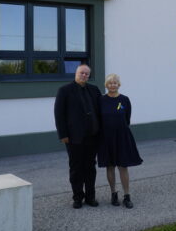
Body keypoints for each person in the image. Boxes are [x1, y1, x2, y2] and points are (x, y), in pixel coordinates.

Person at [54, 64, 102, 209]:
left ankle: (90, 197)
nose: (84, 75)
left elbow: (100, 111)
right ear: (76, 73)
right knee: (76, 168)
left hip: (92, 136)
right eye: (82, 73)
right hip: (73, 138)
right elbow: (59, 114)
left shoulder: (94, 90)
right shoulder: (64, 90)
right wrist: (63, 134)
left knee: (90, 167)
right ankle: (77, 198)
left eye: (87, 74)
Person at [98, 73, 143, 209]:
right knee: (110, 166)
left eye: (115, 83)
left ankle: (127, 196)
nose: (113, 85)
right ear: (106, 85)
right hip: (106, 137)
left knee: (123, 166)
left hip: (122, 136)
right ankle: (113, 194)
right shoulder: (101, 100)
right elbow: (99, 119)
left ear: (119, 84)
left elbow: (127, 118)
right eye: (110, 83)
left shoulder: (124, 99)